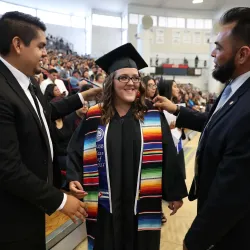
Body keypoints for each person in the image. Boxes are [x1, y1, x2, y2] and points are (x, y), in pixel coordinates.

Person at [66, 43, 187, 250]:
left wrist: (174, 192)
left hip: (141, 205)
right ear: (111, 82)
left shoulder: (151, 114)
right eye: (124, 78)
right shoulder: (95, 115)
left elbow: (167, 153)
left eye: (135, 78)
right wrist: (73, 178)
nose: (131, 83)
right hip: (105, 206)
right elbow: (76, 150)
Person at [0, 11, 102, 250]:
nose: (46, 53)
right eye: (41, 46)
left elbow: (45, 113)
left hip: (31, 206)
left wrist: (82, 97)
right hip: (9, 216)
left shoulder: (28, 82)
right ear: (17, 44)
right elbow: (7, 168)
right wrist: (59, 199)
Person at [154, 7, 250, 250]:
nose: (212, 53)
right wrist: (177, 110)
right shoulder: (234, 88)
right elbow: (216, 122)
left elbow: (231, 191)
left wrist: (195, 240)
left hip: (233, 232)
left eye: (219, 47)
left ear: (242, 55)